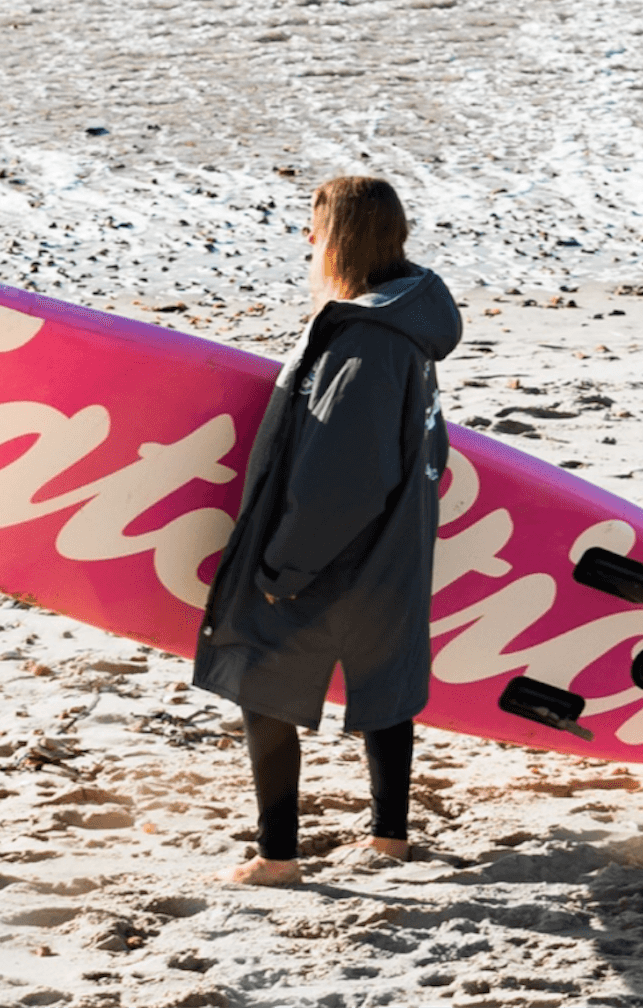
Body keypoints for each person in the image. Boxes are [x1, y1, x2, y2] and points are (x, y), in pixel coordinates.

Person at [192, 175, 462, 885]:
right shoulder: (402, 323)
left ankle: (278, 857)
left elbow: (343, 477)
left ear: (338, 238)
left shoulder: (367, 342)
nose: (306, 241)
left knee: (262, 681)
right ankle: (389, 840)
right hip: (393, 549)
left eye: (313, 229)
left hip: (343, 554)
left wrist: (284, 569)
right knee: (384, 683)